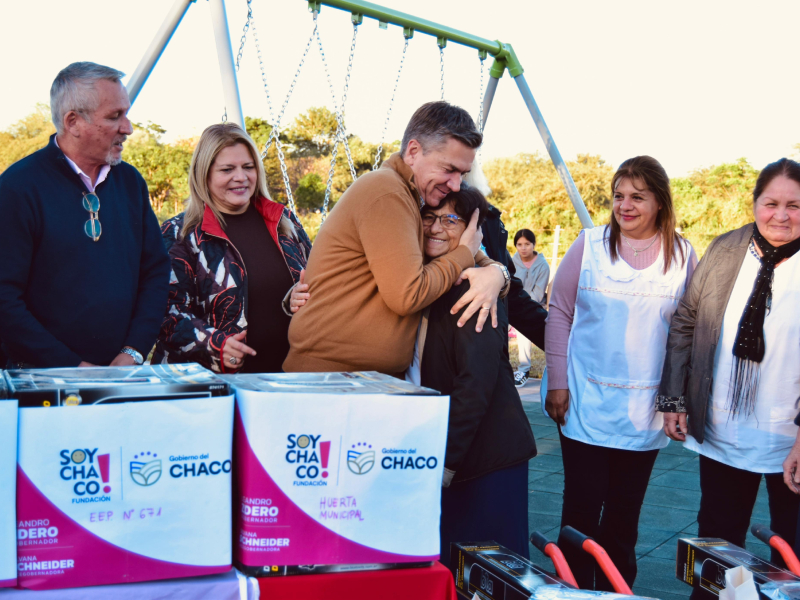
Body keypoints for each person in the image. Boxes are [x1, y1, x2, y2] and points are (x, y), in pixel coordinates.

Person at [544, 156, 697, 590]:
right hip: (584, 401)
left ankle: (616, 591)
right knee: (580, 508)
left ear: (660, 203)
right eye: (618, 196)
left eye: (637, 197)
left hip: (644, 410)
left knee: (624, 515)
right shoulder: (590, 244)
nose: (624, 205)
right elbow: (559, 312)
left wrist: (677, 401)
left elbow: (689, 333)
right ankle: (569, 592)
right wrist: (556, 380)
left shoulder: (683, 256)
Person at [283, 101, 508, 375]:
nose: (456, 184)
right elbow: (407, 295)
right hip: (332, 380)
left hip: (358, 380)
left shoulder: (416, 199)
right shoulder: (388, 192)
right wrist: (462, 255)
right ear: (413, 152)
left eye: (462, 174)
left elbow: (474, 255)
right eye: (449, 169)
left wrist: (498, 274)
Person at [658, 158, 800, 578]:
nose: (780, 215)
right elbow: (686, 321)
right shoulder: (726, 249)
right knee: (717, 546)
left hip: (789, 438)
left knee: (791, 553)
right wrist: (674, 398)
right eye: (770, 202)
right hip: (723, 428)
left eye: (794, 205)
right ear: (754, 203)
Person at [0, 62, 170, 368]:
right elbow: (4, 298)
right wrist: (72, 367)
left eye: (125, 113)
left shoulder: (131, 183)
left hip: (121, 376)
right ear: (73, 122)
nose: (127, 127)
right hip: (40, 385)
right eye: (114, 116)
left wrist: (133, 352)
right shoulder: (17, 188)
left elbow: (155, 272)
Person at [404, 185, 536, 560]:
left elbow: (474, 386)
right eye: (429, 217)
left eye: (450, 219)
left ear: (473, 230)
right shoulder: (424, 279)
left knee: (487, 575)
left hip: (483, 462)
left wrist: (442, 463)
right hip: (452, 452)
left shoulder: (474, 286)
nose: (435, 228)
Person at [153, 123, 311, 374]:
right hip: (211, 385)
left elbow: (316, 281)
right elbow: (164, 313)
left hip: (288, 377)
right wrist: (213, 344)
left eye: (248, 167)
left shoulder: (284, 222)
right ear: (204, 174)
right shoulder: (180, 234)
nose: (241, 177)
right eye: (227, 169)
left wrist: (301, 296)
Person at [512, 229, 550, 387]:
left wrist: (524, 305)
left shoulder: (543, 266)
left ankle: (524, 369)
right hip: (512, 304)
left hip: (533, 305)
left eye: (527, 244)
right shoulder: (511, 262)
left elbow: (539, 291)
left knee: (525, 328)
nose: (523, 248)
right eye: (519, 244)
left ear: (534, 245)